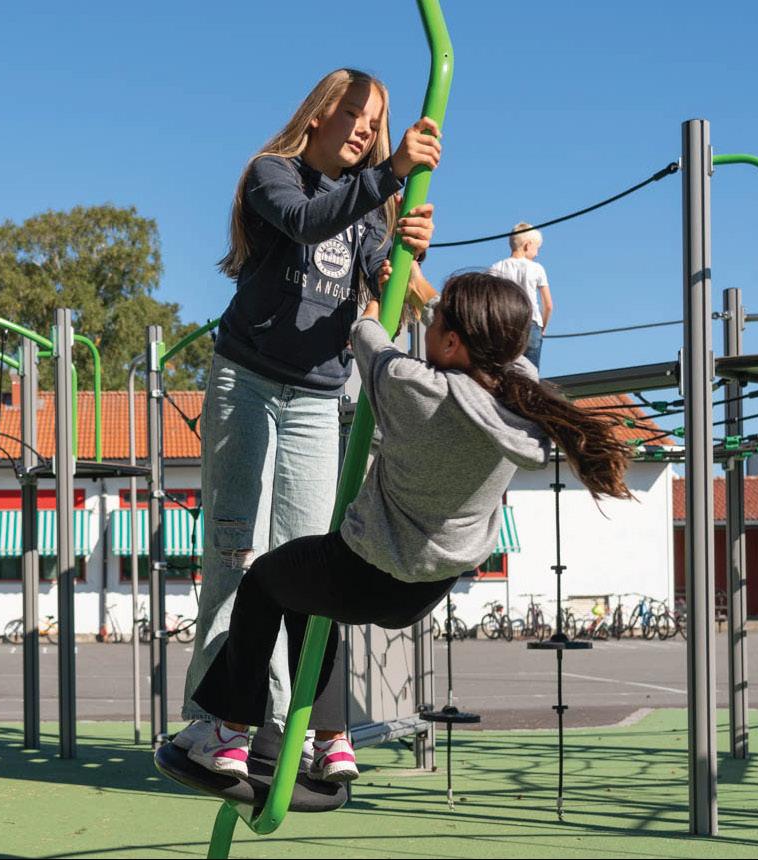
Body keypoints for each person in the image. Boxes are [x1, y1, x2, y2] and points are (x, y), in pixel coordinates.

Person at [186, 271, 635, 782]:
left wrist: (376, 300)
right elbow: (496, 351)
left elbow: (367, 334)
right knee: (309, 597)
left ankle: (229, 734)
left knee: (264, 581)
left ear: (453, 341)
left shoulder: (416, 389)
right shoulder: (520, 402)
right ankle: (332, 744)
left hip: (367, 567)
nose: (429, 325)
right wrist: (421, 287)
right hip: (428, 588)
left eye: (436, 322)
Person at [173, 68, 442, 764]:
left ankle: (317, 729)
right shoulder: (273, 175)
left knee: (308, 562)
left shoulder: (370, 206)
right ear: (319, 114)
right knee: (236, 549)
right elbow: (304, 222)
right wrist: (389, 175)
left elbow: (392, 289)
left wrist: (407, 257)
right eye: (352, 112)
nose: (363, 128)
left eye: (372, 121)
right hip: (249, 382)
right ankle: (220, 719)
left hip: (318, 399)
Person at [486, 223, 551, 369]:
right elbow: (548, 305)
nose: (537, 254)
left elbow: (488, 300)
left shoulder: (496, 268)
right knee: (530, 374)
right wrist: (542, 328)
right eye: (537, 248)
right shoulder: (537, 268)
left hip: (506, 324)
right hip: (531, 324)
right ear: (528, 245)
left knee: (505, 371)